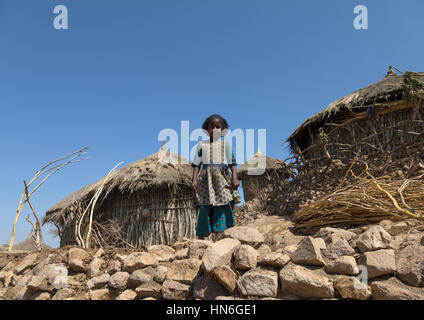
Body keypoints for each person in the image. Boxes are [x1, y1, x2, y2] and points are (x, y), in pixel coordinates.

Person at [191, 114, 241, 240]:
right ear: (206, 129)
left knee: (223, 203)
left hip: (221, 178)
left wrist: (235, 178)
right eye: (211, 127)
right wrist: (194, 179)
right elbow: (197, 163)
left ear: (222, 129)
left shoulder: (226, 145)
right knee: (205, 205)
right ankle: (202, 238)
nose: (214, 129)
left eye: (218, 127)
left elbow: (232, 163)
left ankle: (222, 235)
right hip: (205, 179)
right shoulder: (202, 145)